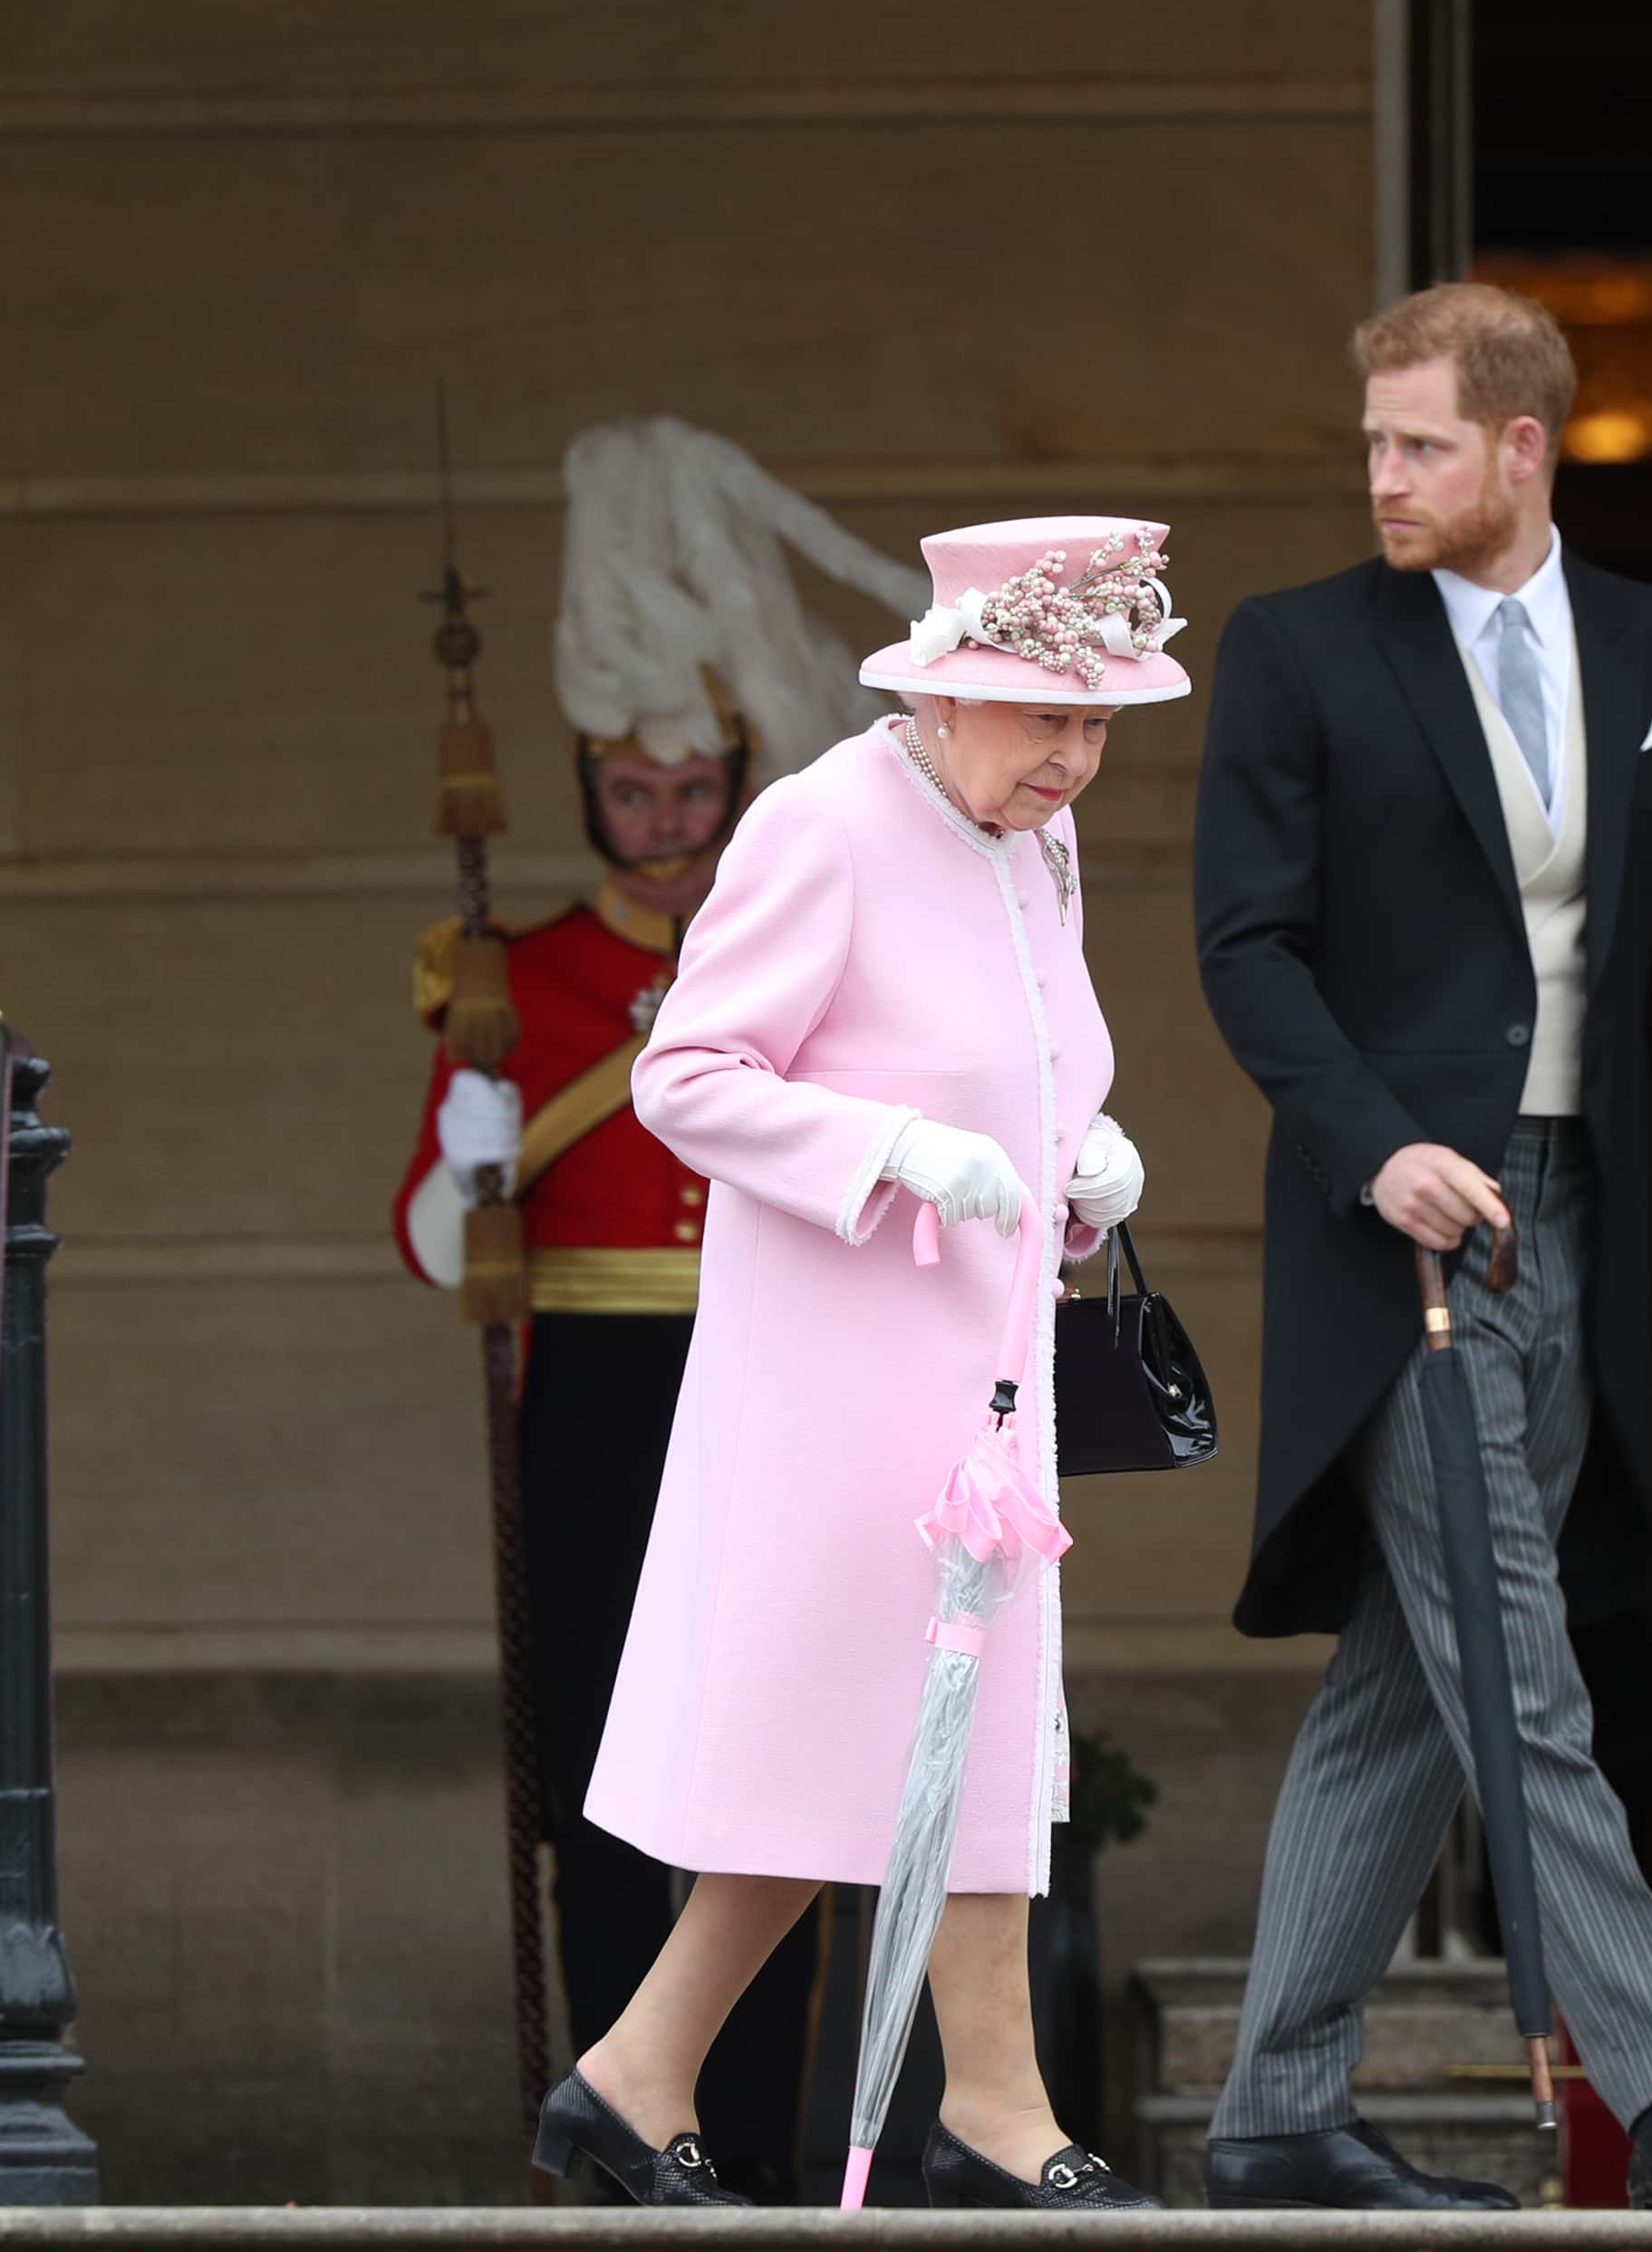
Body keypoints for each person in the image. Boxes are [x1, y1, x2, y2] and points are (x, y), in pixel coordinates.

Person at [1191, 284, 1652, 2212]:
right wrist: (1375, 1153)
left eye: (1422, 444)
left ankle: (1273, 2116)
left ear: (1526, 447)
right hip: (1401, 1228)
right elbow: (1246, 952)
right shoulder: (1295, 651)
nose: (1386, 479)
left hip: (1587, 1205)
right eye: (1371, 444)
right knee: (1514, 1662)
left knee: (1407, 1687)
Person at [527, 515, 1185, 2212]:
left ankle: (667, 2078)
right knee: (872, 1736)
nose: (1073, 754)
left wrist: (1084, 1154)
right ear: (948, 691)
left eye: (1098, 721)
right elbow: (690, 1076)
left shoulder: (1037, 842)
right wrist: (887, 1143)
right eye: (1046, 714)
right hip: (833, 1368)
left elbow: (1029, 1062)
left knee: (942, 1733)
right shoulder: (821, 821)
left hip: (977, 1367)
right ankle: (978, 2106)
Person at [393, 419, 931, 2196]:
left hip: (768, 1369)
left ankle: (757, 2142)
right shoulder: (518, 972)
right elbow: (424, 1244)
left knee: (773, 1749)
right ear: (588, 791)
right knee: (604, 1768)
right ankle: (622, 2124)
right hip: (601, 1391)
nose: (670, 829)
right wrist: (484, 1145)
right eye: (636, 796)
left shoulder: (790, 937)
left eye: (698, 796)